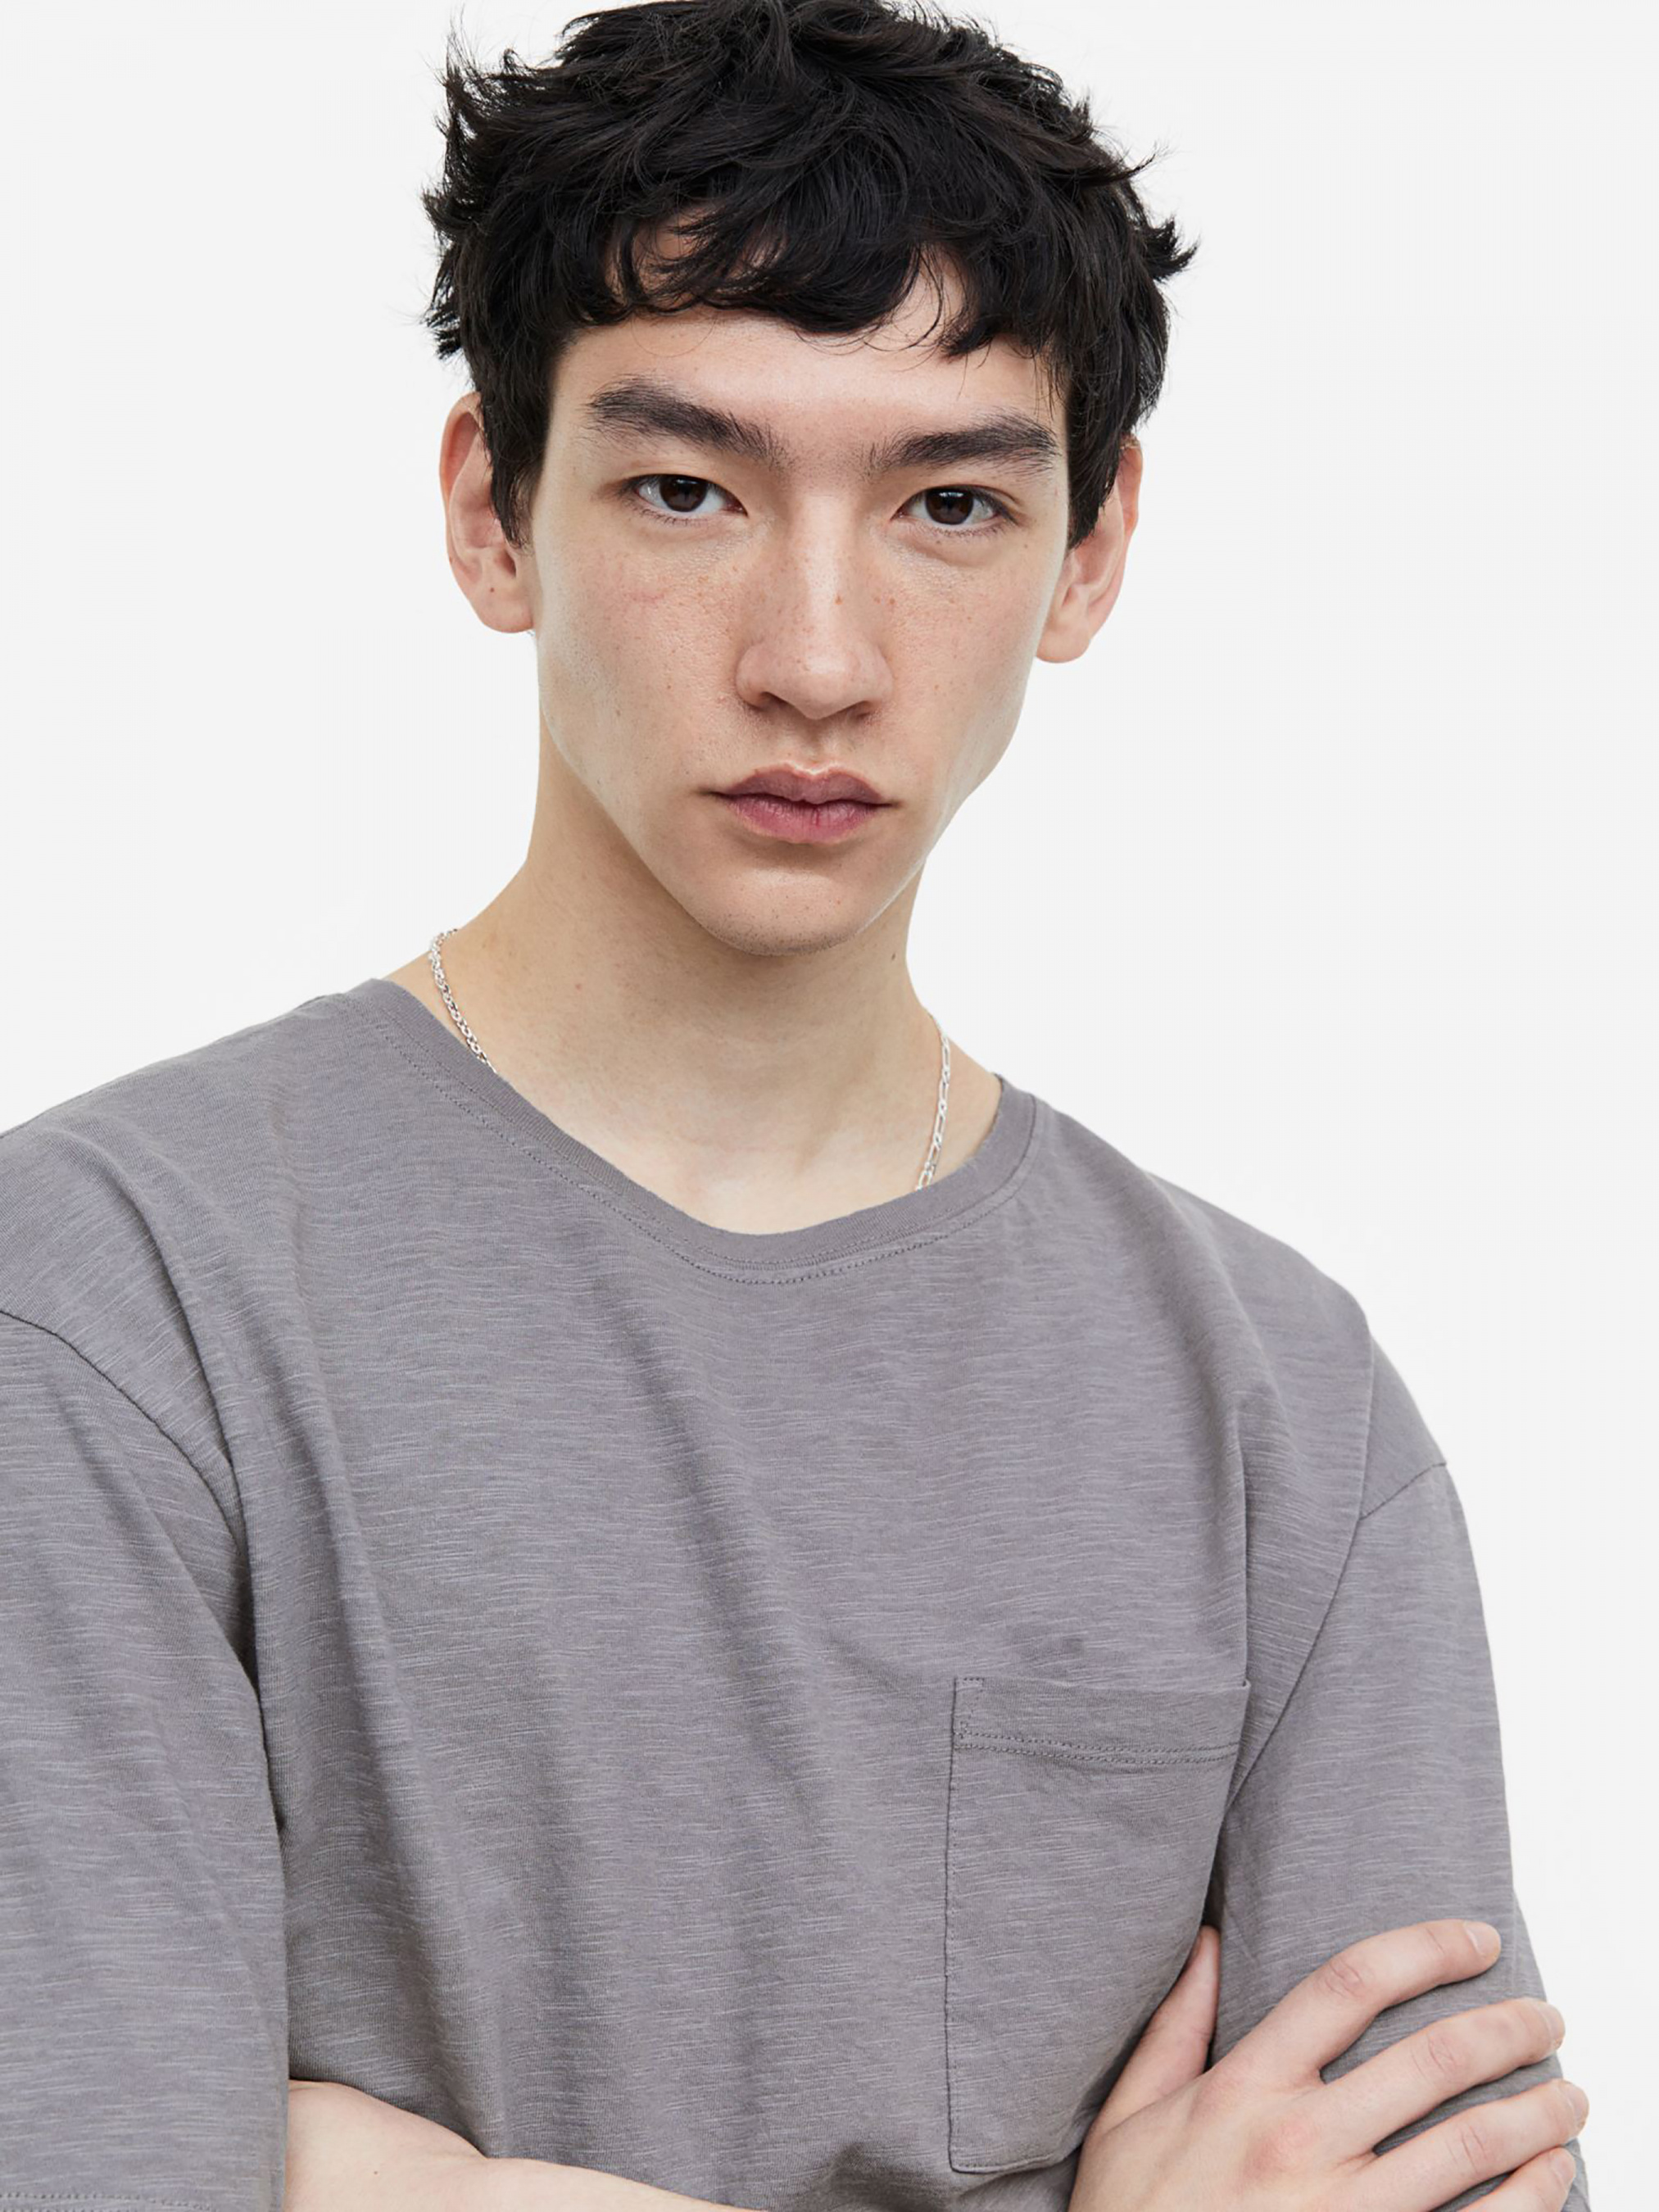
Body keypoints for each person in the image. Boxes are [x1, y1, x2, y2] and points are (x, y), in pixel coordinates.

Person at [0, 2, 1589, 2208]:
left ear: (1091, 552)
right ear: (492, 513)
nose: (816, 659)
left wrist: (394, 2177)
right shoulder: (109, 1298)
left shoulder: (1277, 1407)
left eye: (949, 504)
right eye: (687, 489)